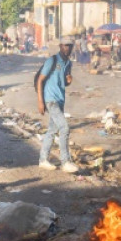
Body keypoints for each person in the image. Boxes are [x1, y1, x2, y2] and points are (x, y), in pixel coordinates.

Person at [37, 37, 79, 173]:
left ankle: (43, 160)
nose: (68, 48)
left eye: (70, 46)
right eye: (66, 46)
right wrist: (40, 101)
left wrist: (69, 81)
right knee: (64, 128)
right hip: (51, 100)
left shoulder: (68, 63)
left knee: (51, 131)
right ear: (60, 46)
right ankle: (65, 162)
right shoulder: (52, 61)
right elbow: (40, 80)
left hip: (60, 100)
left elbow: (64, 82)